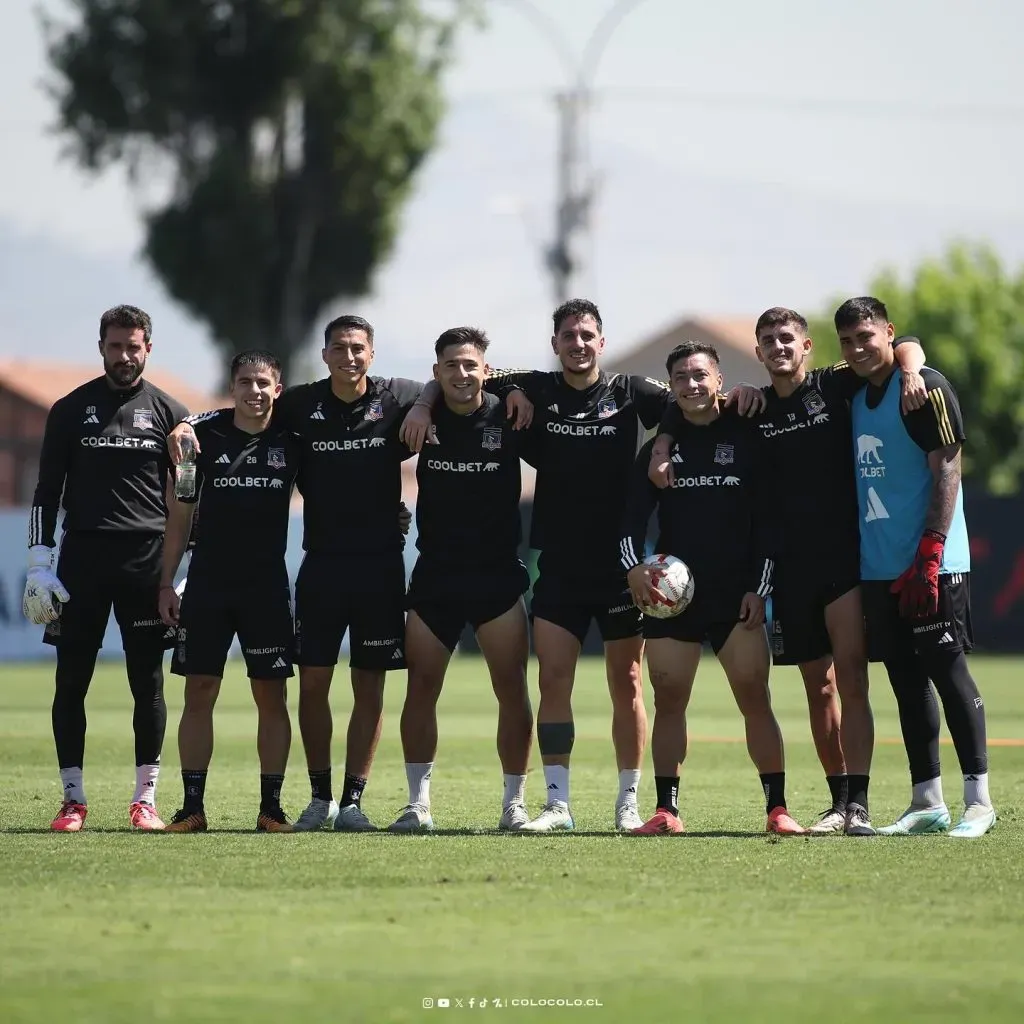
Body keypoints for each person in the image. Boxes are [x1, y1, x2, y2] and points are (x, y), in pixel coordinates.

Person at [167, 316, 527, 831]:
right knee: (312, 685)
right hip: (321, 568)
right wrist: (187, 421)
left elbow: (453, 380)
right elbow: (243, 409)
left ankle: (353, 802)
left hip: (381, 567)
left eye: (358, 348)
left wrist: (427, 402)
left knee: (370, 687)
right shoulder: (299, 405)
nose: (349, 356)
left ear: (372, 354)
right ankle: (320, 798)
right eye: (340, 348)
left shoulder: (400, 396)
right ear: (325, 354)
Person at [650, 309, 926, 836]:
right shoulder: (748, 409)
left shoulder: (834, 385)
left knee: (852, 679)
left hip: (843, 558)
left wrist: (912, 368)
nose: (778, 347)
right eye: (767, 340)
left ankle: (858, 807)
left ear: (806, 346)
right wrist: (662, 440)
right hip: (790, 571)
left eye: (786, 339)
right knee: (817, 690)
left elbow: (897, 347)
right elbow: (685, 404)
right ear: (756, 353)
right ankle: (835, 802)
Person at [402, 300, 674, 832]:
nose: (578, 342)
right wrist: (421, 404)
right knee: (552, 681)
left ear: (602, 340)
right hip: (558, 564)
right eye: (568, 334)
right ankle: (557, 804)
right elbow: (463, 375)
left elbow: (690, 401)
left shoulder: (631, 392)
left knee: (629, 682)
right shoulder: (533, 389)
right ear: (555, 344)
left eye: (587, 334)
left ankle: (628, 803)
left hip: (621, 565)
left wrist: (662, 441)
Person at [621, 341, 805, 835]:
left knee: (754, 698)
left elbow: (769, 522)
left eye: (700, 374)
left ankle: (777, 809)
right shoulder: (658, 451)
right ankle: (666, 811)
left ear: (719, 379)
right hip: (672, 601)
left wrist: (758, 589)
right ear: (671, 387)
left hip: (735, 598)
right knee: (669, 699)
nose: (692, 384)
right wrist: (634, 569)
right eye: (681, 377)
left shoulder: (749, 437)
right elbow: (629, 524)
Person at [23, 305, 187, 832]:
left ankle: (146, 801)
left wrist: (183, 567)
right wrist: (38, 563)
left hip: (146, 562)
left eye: (134, 346)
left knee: (149, 684)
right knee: (71, 682)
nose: (124, 356)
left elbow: (188, 496)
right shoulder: (70, 409)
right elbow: (46, 492)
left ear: (148, 349)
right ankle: (73, 799)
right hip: (81, 564)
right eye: (116, 346)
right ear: (101, 347)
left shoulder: (171, 413)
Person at [838, 296, 995, 838]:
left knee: (949, 673)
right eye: (849, 340)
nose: (860, 348)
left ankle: (979, 801)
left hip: (934, 563)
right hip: (879, 566)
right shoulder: (852, 387)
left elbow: (948, 469)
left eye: (868, 336)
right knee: (905, 682)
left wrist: (930, 551)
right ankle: (926, 800)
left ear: (889, 332)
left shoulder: (925, 390)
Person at [388, 328, 535, 832]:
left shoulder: (510, 413)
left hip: (496, 575)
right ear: (437, 372)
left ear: (486, 370)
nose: (462, 373)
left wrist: (514, 388)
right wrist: (423, 406)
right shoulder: (417, 415)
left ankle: (514, 804)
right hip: (437, 575)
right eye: (451, 365)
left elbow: (549, 383)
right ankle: (417, 804)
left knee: (512, 689)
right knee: (421, 688)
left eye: (471, 364)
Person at [157, 350, 300, 832]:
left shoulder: (291, 438)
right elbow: (179, 516)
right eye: (245, 382)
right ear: (232, 386)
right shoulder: (203, 439)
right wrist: (166, 581)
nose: (254, 391)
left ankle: (272, 809)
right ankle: (192, 807)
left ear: (277, 389)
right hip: (209, 585)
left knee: (271, 696)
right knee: (199, 691)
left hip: (266, 588)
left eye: (263, 382)